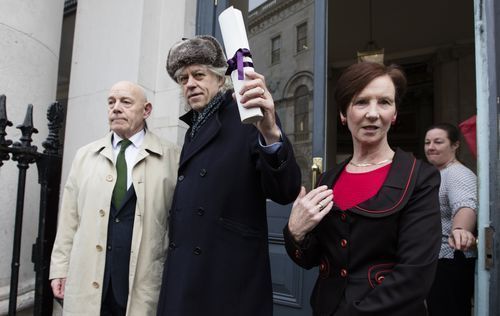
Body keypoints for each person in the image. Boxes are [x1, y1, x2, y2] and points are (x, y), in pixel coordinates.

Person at [156, 35, 301, 316]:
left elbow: (285, 190)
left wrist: (271, 133)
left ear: (220, 79)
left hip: (228, 276)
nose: (190, 84)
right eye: (183, 79)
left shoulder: (249, 115)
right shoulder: (193, 129)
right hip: (186, 272)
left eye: (199, 74)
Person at [283, 62, 442, 315]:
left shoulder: (420, 179)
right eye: (361, 102)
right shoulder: (328, 180)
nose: (373, 113)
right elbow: (311, 259)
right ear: (343, 114)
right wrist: (295, 232)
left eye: (384, 102)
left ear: (395, 114)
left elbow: (414, 277)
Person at [49, 81, 180, 315]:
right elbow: (69, 218)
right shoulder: (84, 155)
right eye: (111, 102)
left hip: (141, 284)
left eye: (126, 102)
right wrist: (59, 268)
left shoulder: (173, 157)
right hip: (88, 279)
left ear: (146, 110)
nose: (116, 108)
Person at [424, 123, 477, 316]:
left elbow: (465, 205)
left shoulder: (457, 174)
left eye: (438, 142)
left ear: (455, 145)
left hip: (452, 260)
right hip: (440, 260)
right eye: (427, 142)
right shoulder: (441, 173)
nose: (431, 147)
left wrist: (461, 229)